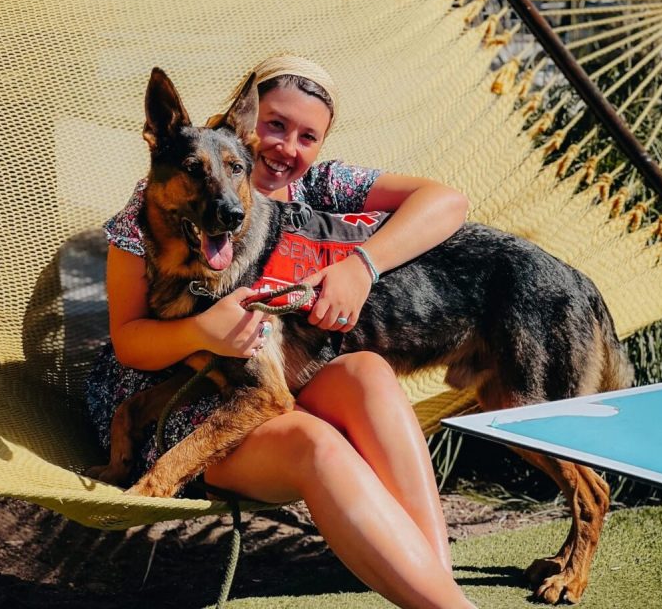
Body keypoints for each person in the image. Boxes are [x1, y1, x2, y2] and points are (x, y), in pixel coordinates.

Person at [85, 54, 475, 609]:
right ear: (247, 121)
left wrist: (360, 266)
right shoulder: (153, 206)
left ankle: (438, 586)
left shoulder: (322, 188)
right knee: (316, 442)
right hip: (169, 395)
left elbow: (449, 203)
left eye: (306, 136)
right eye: (274, 125)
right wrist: (204, 331)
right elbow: (129, 340)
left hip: (264, 388)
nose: (285, 147)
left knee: (367, 371)